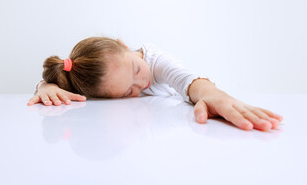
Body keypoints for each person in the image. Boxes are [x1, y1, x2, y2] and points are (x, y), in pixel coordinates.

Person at [27, 36, 283, 132]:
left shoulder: (154, 59)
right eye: (129, 91)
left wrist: (213, 93)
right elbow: (61, 81)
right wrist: (46, 87)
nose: (143, 81)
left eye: (136, 69)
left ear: (125, 45)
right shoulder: (91, 81)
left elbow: (186, 79)